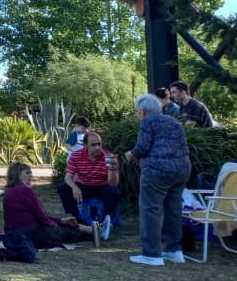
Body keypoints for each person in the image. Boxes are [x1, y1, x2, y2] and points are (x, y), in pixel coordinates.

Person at [125, 92, 192, 266]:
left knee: (151, 210)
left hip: (157, 171)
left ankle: (152, 254)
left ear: (142, 111)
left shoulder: (148, 121)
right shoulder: (173, 121)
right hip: (181, 170)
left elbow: (142, 147)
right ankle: (174, 250)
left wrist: (130, 155)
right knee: (173, 210)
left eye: (138, 112)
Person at [2, 161, 100, 248]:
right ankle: (96, 232)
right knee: (65, 232)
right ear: (17, 175)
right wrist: (54, 224)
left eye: (30, 173)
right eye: (27, 173)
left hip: (12, 233)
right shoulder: (25, 190)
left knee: (65, 225)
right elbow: (40, 215)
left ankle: (95, 230)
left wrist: (60, 220)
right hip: (29, 233)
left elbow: (36, 216)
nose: (30, 176)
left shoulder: (8, 190)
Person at [57, 131, 119, 227]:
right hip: (83, 186)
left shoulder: (108, 157)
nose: (97, 148)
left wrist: (113, 168)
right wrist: (74, 187)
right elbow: (68, 178)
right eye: (93, 145)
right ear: (85, 145)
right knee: (62, 188)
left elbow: (113, 183)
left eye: (99, 144)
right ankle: (76, 217)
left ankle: (106, 219)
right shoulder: (76, 156)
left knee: (114, 192)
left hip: (101, 186)